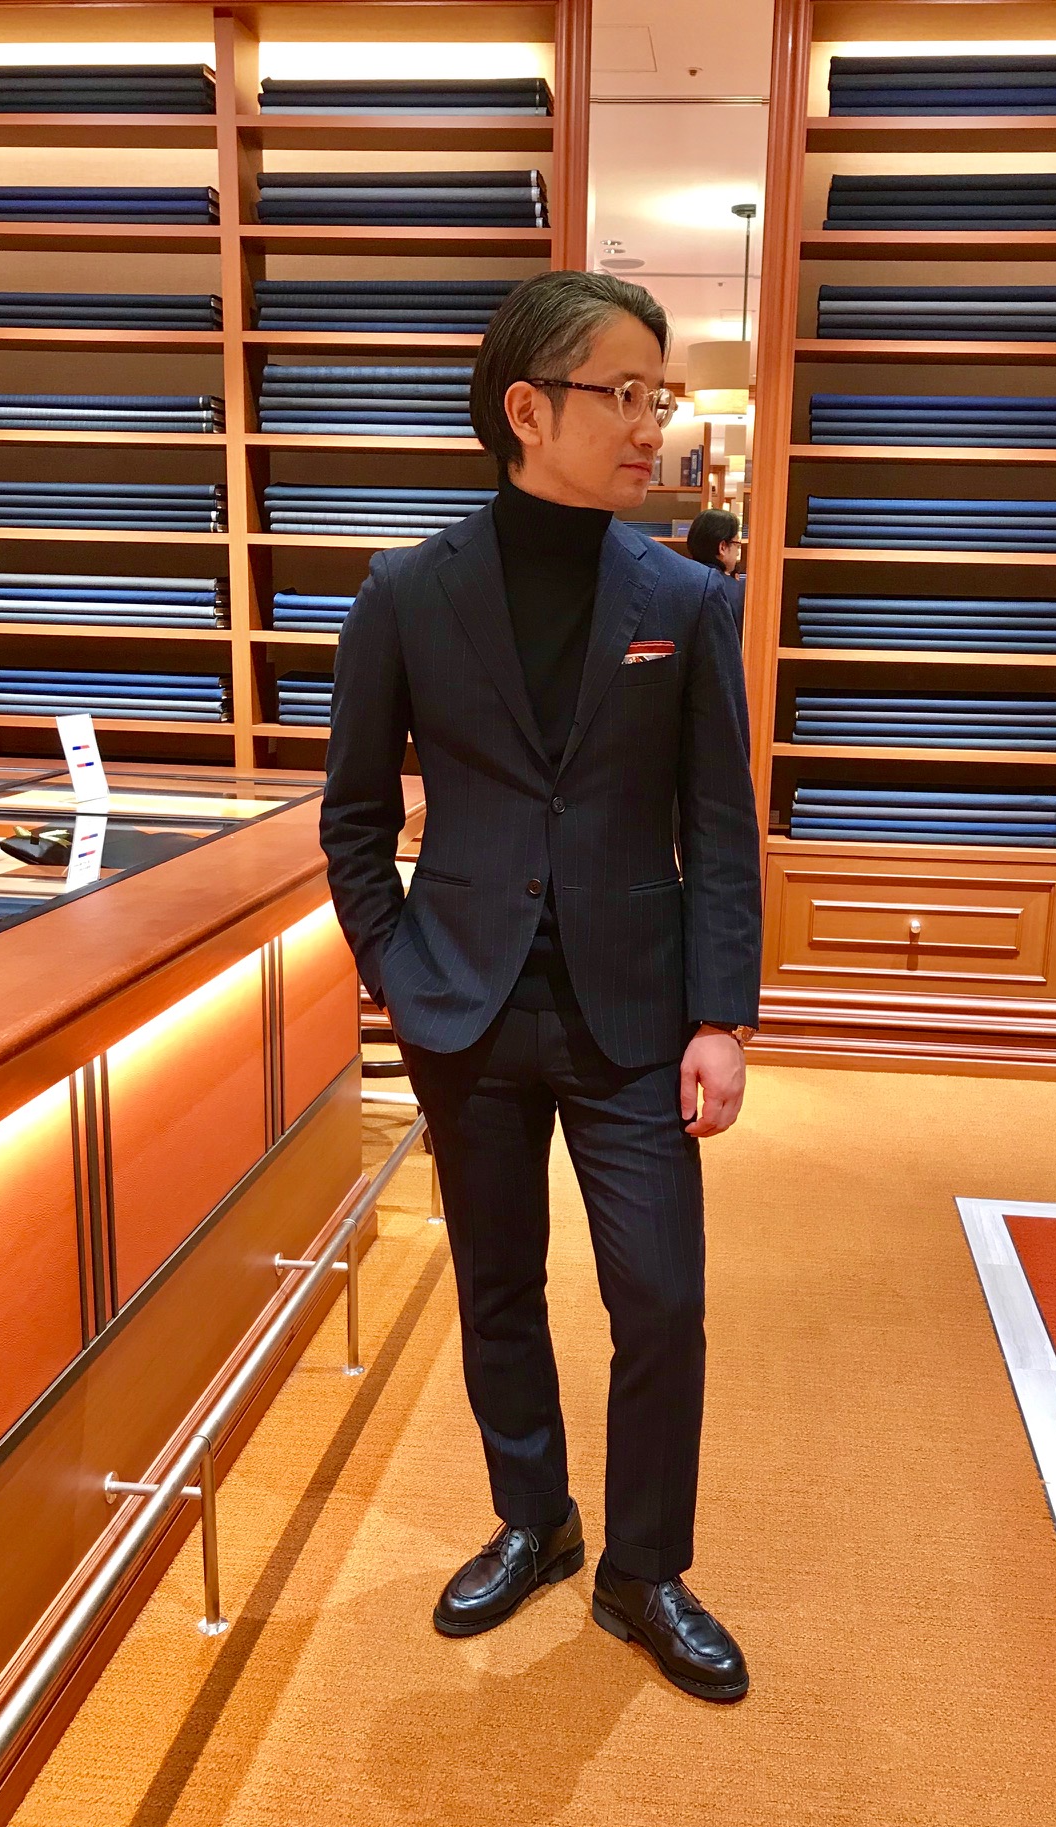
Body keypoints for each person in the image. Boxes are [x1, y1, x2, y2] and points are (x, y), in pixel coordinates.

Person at [320, 271, 763, 1703]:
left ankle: (646, 1567)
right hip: (466, 1008)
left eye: (658, 394)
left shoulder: (685, 597)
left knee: (664, 1301)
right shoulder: (408, 591)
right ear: (528, 409)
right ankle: (536, 1520)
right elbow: (351, 821)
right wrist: (398, 972)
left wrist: (720, 1016)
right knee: (498, 1285)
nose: (653, 424)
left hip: (637, 1015)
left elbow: (720, 823)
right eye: (623, 394)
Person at [686, 506, 745, 629]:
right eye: (737, 544)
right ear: (722, 547)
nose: (737, 553)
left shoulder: (672, 582)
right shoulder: (735, 591)